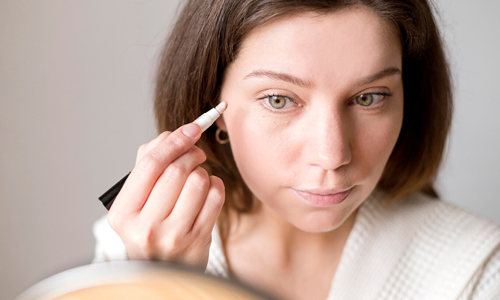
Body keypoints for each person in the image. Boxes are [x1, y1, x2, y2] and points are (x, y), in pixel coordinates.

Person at [92, 0, 500, 299]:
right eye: (279, 100)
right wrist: (168, 288)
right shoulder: (134, 248)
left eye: (369, 97)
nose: (331, 154)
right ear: (214, 108)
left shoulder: (473, 269)